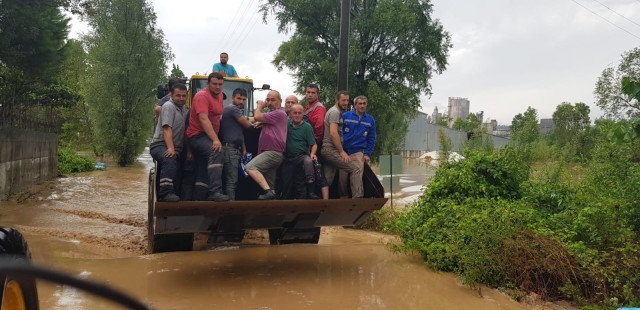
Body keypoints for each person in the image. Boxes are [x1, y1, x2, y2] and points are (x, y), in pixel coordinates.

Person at [185, 72, 229, 202]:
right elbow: (203, 119)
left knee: (203, 167)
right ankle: (215, 192)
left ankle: (200, 199)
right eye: (214, 84)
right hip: (197, 136)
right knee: (216, 152)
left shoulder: (220, 96)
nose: (217, 87)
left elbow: (217, 118)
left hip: (209, 136)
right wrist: (215, 140)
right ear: (208, 84)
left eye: (220, 84)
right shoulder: (202, 96)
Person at [244, 90, 288, 200]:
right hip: (270, 153)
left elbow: (257, 116)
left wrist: (259, 106)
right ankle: (273, 207)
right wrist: (263, 123)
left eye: (273, 100)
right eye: (267, 100)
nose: (269, 102)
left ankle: (268, 192)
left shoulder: (279, 113)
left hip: (272, 152)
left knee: (250, 167)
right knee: (270, 186)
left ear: (280, 101)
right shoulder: (273, 116)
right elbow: (261, 120)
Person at [150, 83, 189, 202]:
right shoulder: (168, 106)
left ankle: (179, 194)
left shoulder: (184, 110)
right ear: (171, 95)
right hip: (160, 144)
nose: (181, 98)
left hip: (177, 147)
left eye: (184, 96)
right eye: (178, 95)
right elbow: (167, 129)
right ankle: (165, 193)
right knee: (169, 159)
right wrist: (171, 149)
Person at [320, 91, 363, 198]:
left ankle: (320, 199)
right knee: (356, 169)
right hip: (331, 150)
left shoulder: (335, 112)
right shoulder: (334, 112)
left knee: (328, 178)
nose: (346, 103)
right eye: (343, 100)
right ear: (337, 100)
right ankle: (358, 199)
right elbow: (333, 133)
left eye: (347, 100)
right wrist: (341, 152)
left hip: (327, 150)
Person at [280, 103, 320, 199]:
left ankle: (311, 191)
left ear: (303, 114)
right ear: (290, 114)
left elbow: (313, 144)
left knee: (308, 162)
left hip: (301, 156)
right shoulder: (286, 124)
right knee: (286, 182)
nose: (297, 115)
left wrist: (313, 153)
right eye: (294, 113)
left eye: (299, 113)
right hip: (287, 157)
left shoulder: (307, 127)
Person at [339, 96, 376, 198]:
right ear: (355, 105)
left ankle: (358, 197)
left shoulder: (370, 120)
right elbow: (338, 133)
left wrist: (367, 154)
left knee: (358, 173)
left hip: (358, 151)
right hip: (344, 151)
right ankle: (343, 196)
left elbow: (371, 138)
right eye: (360, 104)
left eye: (364, 103)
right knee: (342, 176)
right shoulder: (346, 116)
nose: (362, 106)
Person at [220, 88, 253, 201]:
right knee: (231, 180)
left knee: (235, 179)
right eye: (239, 98)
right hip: (230, 149)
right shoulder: (232, 109)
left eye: (244, 99)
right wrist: (259, 123)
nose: (241, 101)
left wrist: (243, 149)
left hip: (236, 149)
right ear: (232, 98)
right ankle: (230, 207)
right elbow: (247, 125)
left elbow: (240, 132)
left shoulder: (236, 112)